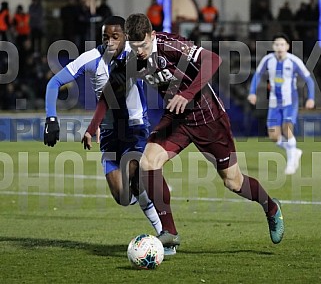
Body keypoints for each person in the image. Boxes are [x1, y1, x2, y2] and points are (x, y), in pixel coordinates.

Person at [88, 13, 285, 247]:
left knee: (233, 182)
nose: (139, 51)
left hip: (207, 118)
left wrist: (186, 94)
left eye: (143, 45)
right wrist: (92, 127)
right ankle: (169, 232)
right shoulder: (130, 59)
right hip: (177, 120)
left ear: (152, 35)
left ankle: (271, 207)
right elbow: (110, 92)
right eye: (134, 45)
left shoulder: (169, 45)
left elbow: (212, 60)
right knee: (148, 163)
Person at [44, 16, 165, 246]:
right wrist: (51, 118)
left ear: (125, 37)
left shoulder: (135, 52)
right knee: (122, 197)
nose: (110, 41)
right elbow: (54, 83)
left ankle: (164, 234)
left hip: (135, 128)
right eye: (105, 37)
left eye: (115, 37)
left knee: (134, 171)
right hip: (109, 133)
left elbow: (160, 55)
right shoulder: (91, 58)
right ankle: (142, 192)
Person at [248, 33, 315, 175]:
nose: (279, 47)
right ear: (273, 46)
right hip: (274, 103)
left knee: (287, 128)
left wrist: (311, 98)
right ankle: (294, 151)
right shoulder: (268, 60)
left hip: (290, 102)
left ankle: (291, 163)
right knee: (273, 135)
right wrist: (252, 92)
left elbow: (309, 79)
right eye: (277, 44)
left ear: (287, 46)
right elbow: (257, 75)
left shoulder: (294, 61)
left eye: (282, 44)